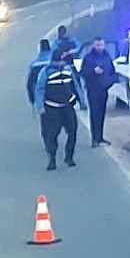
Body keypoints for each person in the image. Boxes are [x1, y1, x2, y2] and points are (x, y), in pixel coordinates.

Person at [33, 42, 88, 170]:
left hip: (67, 107)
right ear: (54, 61)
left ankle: (69, 157)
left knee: (73, 132)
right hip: (51, 108)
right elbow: (39, 89)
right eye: (59, 61)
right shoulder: (45, 72)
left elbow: (76, 86)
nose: (62, 64)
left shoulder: (68, 71)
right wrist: (40, 106)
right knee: (52, 135)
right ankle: (52, 159)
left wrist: (82, 102)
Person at [80, 36, 117, 147]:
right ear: (93, 45)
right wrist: (93, 71)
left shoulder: (107, 57)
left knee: (101, 114)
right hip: (93, 89)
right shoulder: (88, 58)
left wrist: (109, 81)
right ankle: (94, 139)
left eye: (101, 45)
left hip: (104, 90)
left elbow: (112, 71)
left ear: (104, 45)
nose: (99, 47)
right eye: (97, 45)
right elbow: (82, 72)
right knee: (94, 114)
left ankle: (100, 137)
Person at [26, 39, 52, 105]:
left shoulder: (34, 64)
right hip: (61, 97)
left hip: (42, 98)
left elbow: (29, 84)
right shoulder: (57, 62)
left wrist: (32, 99)